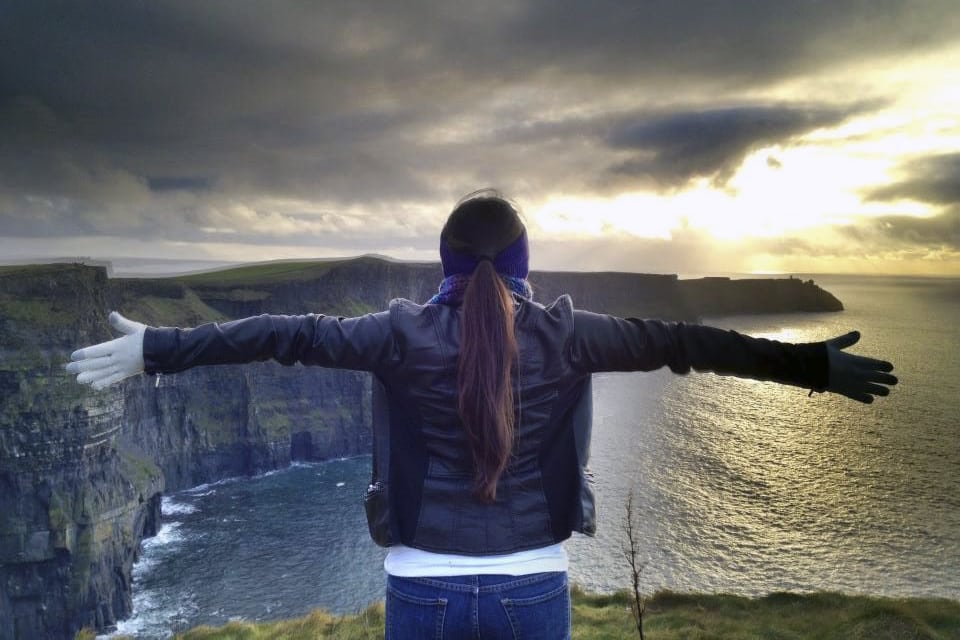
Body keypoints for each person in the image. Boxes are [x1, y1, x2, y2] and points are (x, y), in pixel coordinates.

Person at [66, 190, 897, 639]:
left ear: (445, 264)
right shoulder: (573, 335)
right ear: (526, 265)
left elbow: (287, 335)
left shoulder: (397, 334)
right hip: (533, 589)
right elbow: (688, 342)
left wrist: (159, 350)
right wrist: (810, 366)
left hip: (420, 593)